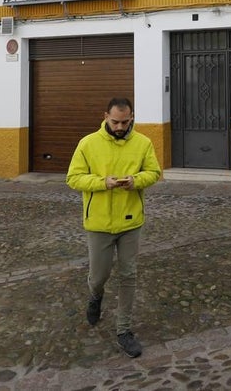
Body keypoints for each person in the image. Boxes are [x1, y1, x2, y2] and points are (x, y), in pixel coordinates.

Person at [66, 97, 162, 358]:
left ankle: (124, 330)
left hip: (131, 221)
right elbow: (73, 178)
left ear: (132, 117)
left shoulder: (143, 143)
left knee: (129, 275)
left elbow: (154, 172)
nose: (120, 126)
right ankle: (95, 296)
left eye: (125, 121)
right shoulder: (88, 143)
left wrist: (136, 180)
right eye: (115, 121)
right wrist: (102, 182)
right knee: (99, 275)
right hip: (98, 224)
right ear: (105, 116)